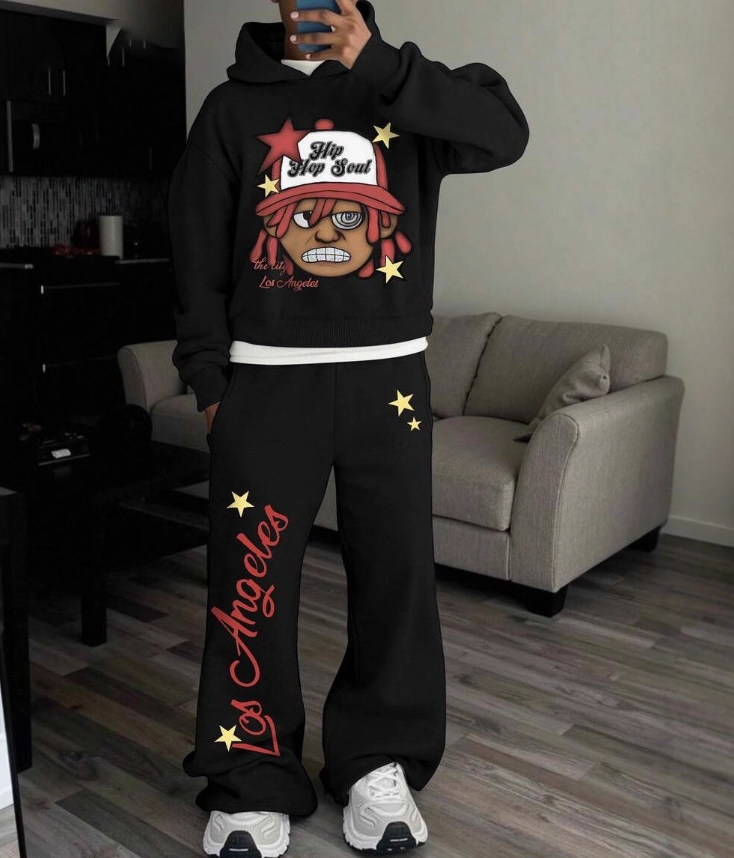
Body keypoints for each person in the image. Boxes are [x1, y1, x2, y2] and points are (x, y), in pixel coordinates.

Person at [167, 1, 529, 855]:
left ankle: (378, 760)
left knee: (396, 577)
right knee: (249, 588)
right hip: (264, 388)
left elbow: (504, 134)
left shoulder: (403, 91)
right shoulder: (231, 109)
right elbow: (196, 250)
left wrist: (387, 68)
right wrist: (212, 385)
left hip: (388, 384)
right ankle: (250, 774)